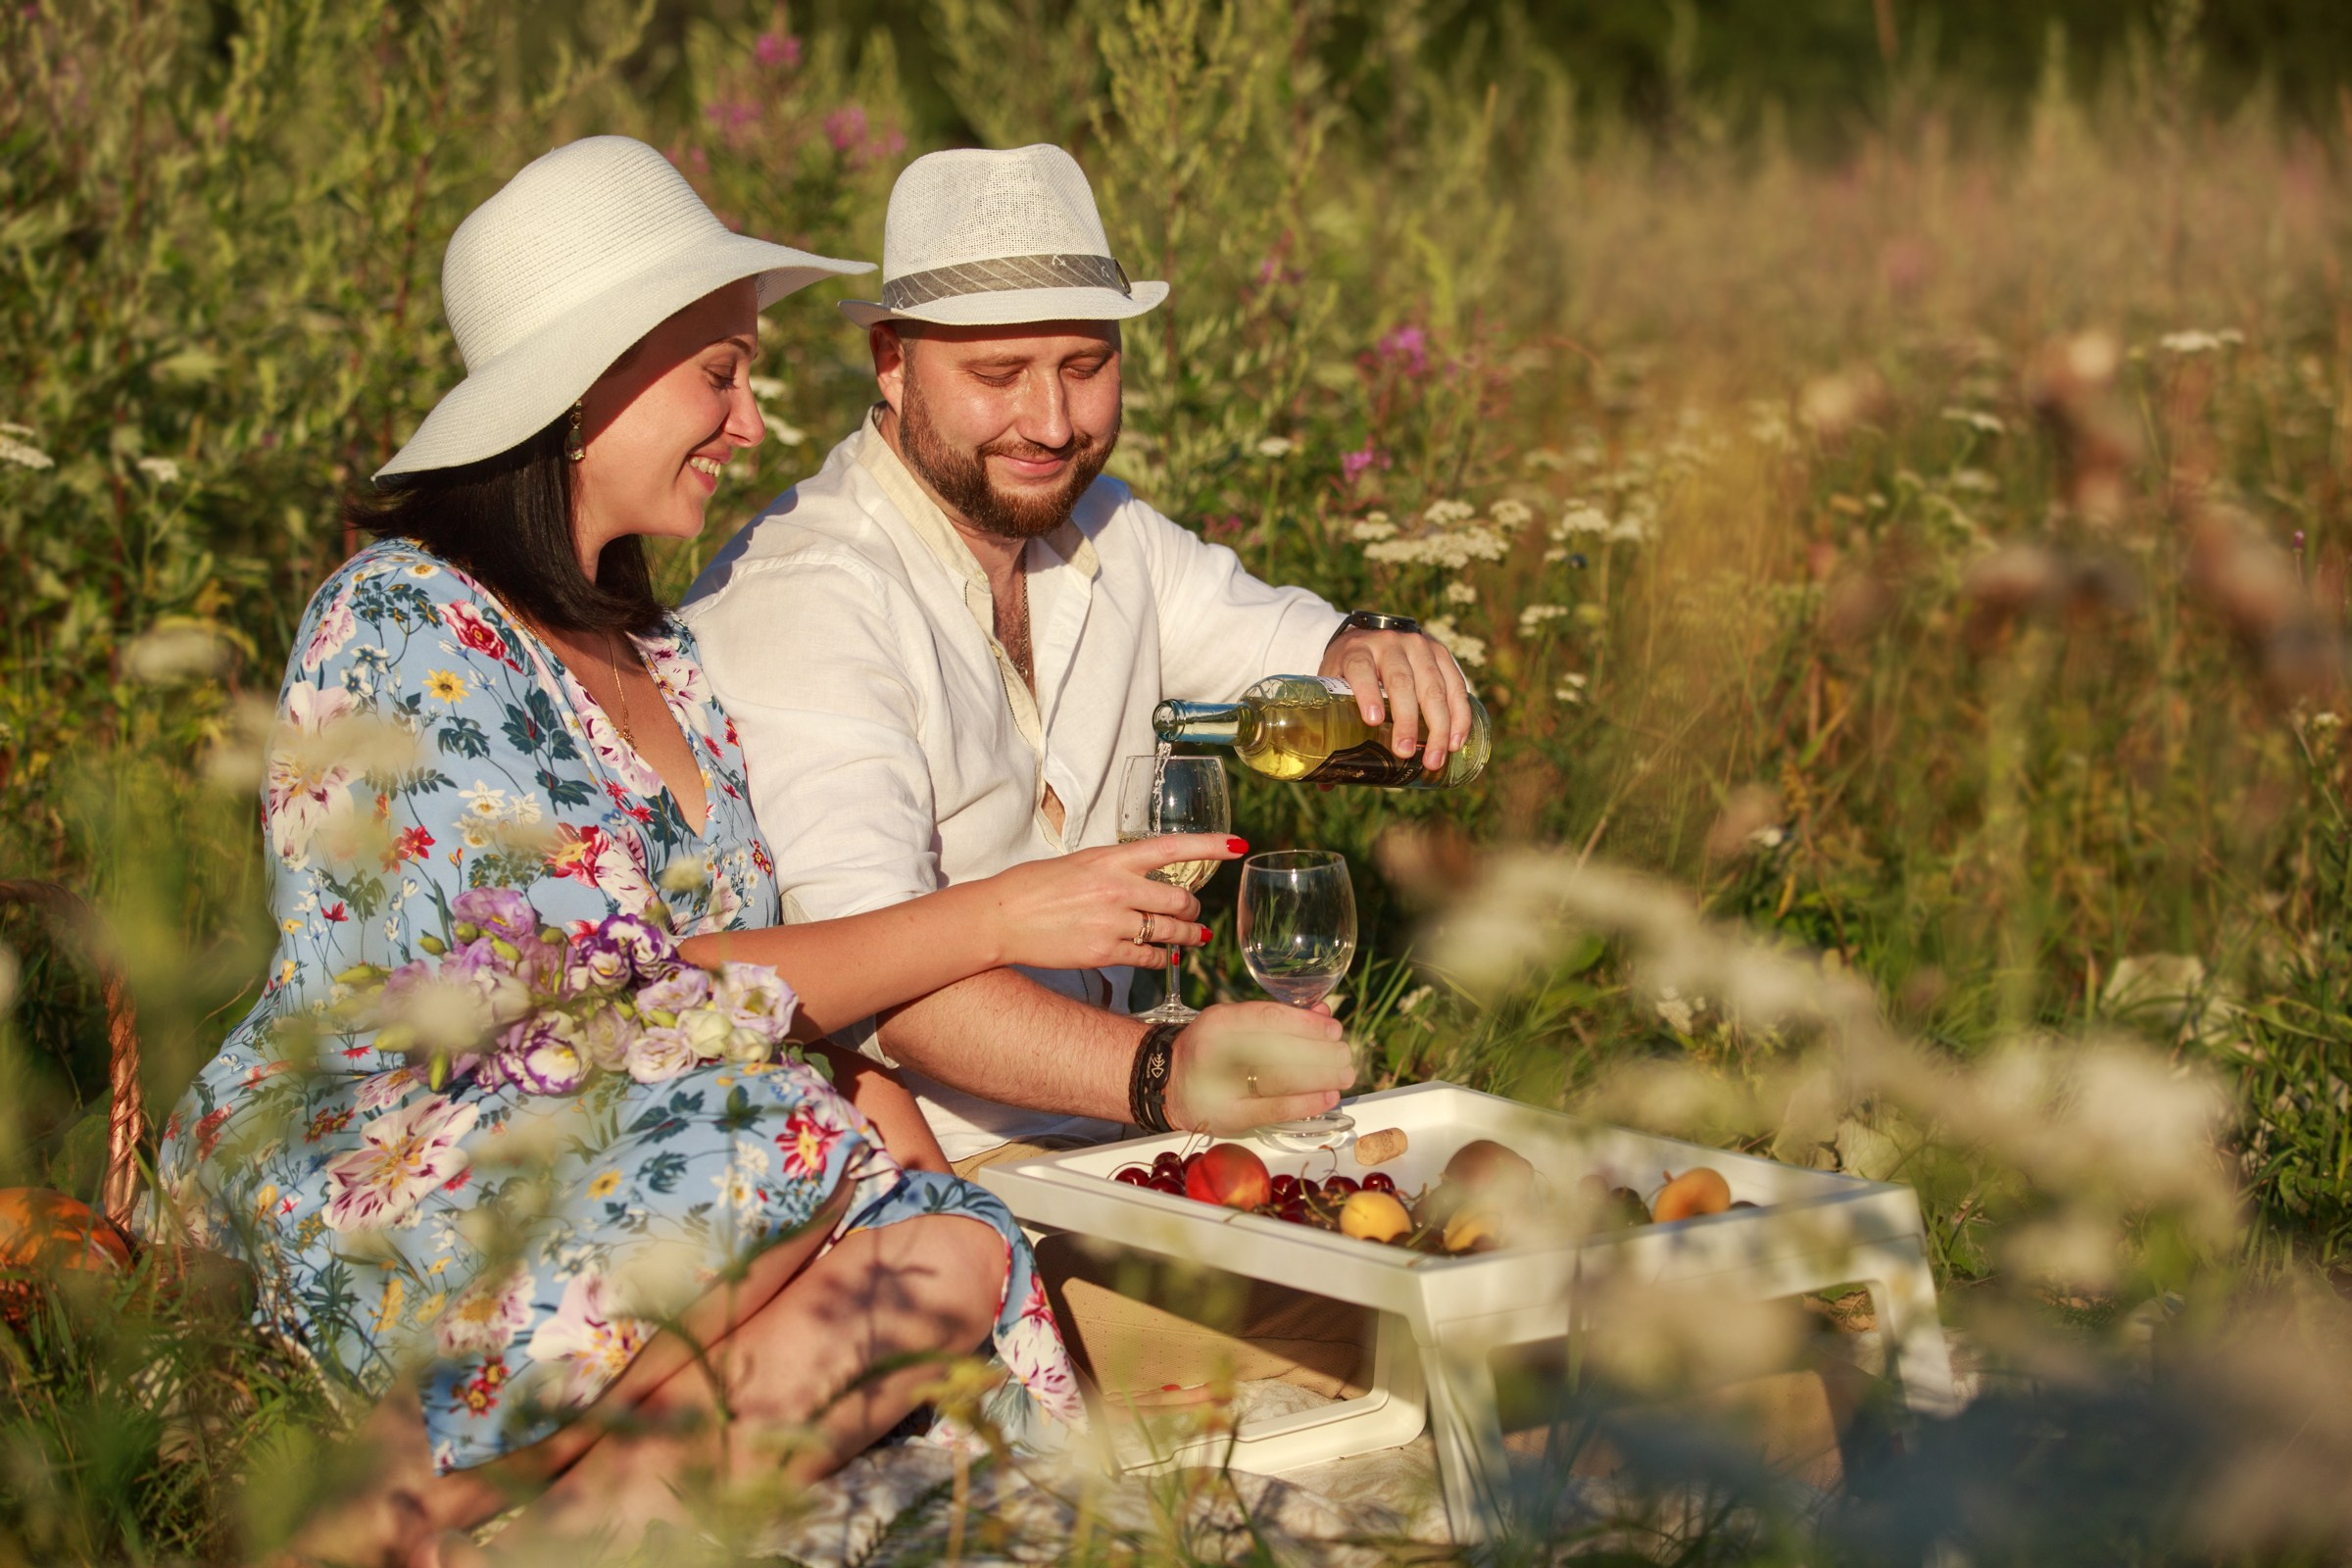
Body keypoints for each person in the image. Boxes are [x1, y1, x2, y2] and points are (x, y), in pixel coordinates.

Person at [152, 136, 1239, 1566]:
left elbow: (757, 1000)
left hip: (667, 1165)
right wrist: (994, 920)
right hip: (420, 1157)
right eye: (721, 374)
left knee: (951, 1255)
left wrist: (902, 1159)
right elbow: (587, 1005)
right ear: (585, 386)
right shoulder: (403, 624)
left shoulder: (659, 652)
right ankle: (367, 1525)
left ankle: (595, 1536)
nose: (750, 419)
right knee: (785, 1149)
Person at [678, 144, 1477, 1402]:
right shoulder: (807, 599)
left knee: (1495, 1271)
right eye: (998, 374)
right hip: (930, 1187)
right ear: (891, 361)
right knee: (1382, 1363)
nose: (1051, 422)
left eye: (1086, 367)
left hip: (1135, 1149)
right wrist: (1158, 1074)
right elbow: (867, 976)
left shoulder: (1103, 533)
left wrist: (1373, 647)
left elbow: (1295, 647)